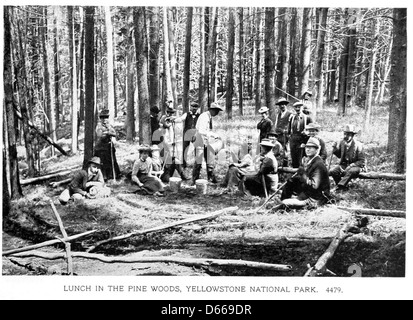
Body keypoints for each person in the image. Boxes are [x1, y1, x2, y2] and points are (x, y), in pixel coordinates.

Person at [276, 137, 331, 210]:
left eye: (311, 148)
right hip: (308, 192)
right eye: (307, 147)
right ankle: (284, 202)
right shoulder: (310, 160)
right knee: (291, 181)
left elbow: (314, 185)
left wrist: (303, 174)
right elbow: (299, 171)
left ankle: (285, 204)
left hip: (316, 198)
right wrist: (283, 169)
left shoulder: (319, 165)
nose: (307, 150)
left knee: (286, 203)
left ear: (317, 150)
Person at [192, 102, 224, 184]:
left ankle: (211, 178)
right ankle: (194, 180)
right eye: (216, 111)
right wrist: (213, 135)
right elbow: (202, 131)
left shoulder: (208, 117)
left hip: (205, 141)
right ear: (212, 110)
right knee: (198, 162)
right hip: (199, 140)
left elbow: (207, 130)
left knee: (210, 160)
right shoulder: (204, 117)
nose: (217, 113)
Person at [329, 124, 366, 192]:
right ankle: (343, 186)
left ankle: (340, 187)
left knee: (351, 171)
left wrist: (351, 165)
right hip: (345, 165)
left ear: (352, 135)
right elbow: (339, 155)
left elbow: (362, 161)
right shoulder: (342, 143)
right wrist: (335, 149)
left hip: (356, 166)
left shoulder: (358, 145)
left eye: (348, 134)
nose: (345, 136)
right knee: (333, 171)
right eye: (345, 134)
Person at [159, 106, 189, 182]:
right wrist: (170, 120)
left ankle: (183, 175)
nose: (170, 114)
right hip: (163, 171)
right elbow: (166, 124)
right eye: (169, 112)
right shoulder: (164, 118)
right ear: (166, 112)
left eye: (172, 113)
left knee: (176, 160)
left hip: (170, 142)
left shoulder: (172, 119)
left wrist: (175, 119)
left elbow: (180, 120)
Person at [94, 109, 121, 180]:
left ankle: (114, 175)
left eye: (106, 117)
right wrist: (107, 133)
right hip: (101, 147)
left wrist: (109, 132)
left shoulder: (109, 126)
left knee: (112, 161)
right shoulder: (99, 126)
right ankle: (104, 176)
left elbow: (114, 134)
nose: (104, 119)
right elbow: (100, 135)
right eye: (102, 118)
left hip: (109, 146)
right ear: (100, 119)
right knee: (103, 162)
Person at [174, 102, 200, 168]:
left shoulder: (199, 116)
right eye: (193, 107)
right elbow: (181, 119)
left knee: (197, 149)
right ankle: (184, 164)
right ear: (190, 107)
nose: (194, 109)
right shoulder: (186, 114)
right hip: (187, 134)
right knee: (185, 148)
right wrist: (174, 119)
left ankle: (196, 165)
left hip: (195, 135)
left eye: (195, 108)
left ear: (197, 108)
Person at [287, 101, 313, 168]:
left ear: (302, 108)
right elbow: (289, 131)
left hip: (302, 140)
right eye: (296, 107)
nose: (297, 109)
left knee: (301, 158)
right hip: (293, 140)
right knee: (293, 157)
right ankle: (294, 173)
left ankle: (301, 173)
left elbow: (311, 130)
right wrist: (289, 138)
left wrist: (305, 141)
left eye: (299, 107)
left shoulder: (307, 118)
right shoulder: (292, 118)